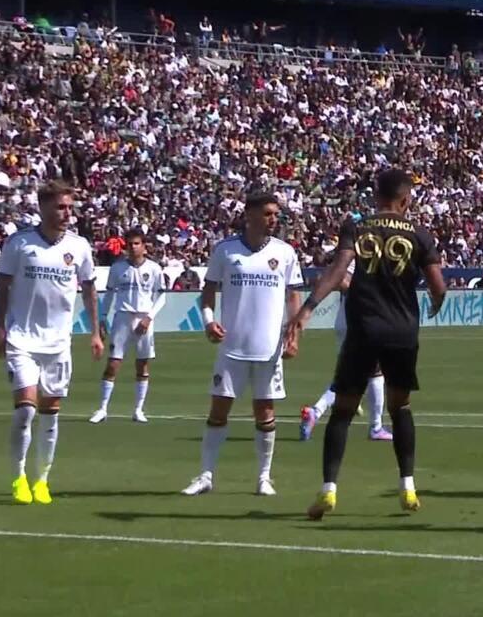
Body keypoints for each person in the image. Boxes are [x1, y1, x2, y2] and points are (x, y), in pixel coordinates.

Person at [288, 168, 445, 519]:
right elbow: (439, 285)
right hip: (403, 330)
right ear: (405, 200)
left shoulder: (356, 226)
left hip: (363, 328)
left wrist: (308, 309)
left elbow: (338, 269)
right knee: (400, 408)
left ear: (376, 196)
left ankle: (329, 490)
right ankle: (407, 487)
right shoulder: (420, 233)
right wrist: (436, 300)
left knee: (343, 411)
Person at [181, 193, 303, 497]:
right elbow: (208, 290)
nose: (274, 219)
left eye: (276, 214)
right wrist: (209, 320)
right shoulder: (225, 251)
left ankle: (264, 477)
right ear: (249, 215)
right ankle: (206, 475)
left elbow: (293, 296)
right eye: (268, 213)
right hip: (232, 345)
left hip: (269, 347)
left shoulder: (285, 253)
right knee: (219, 410)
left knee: (265, 411)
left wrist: (294, 334)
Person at [0, 181, 103, 506]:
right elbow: (3, 286)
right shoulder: (20, 243)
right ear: (42, 207)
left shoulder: (79, 246)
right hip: (22, 339)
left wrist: (95, 332)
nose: (66, 213)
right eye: (60, 207)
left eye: (70, 207)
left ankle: (42, 480)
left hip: (58, 343)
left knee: (51, 414)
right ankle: (18, 478)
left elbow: (89, 290)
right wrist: (0, 326)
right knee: (25, 411)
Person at [299, 258, 392, 443]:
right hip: (358, 321)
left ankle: (315, 412)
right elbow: (340, 278)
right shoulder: (360, 254)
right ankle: (375, 427)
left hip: (355, 321)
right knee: (374, 371)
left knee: (353, 374)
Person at [90, 229, 169, 424]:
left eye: (137, 244)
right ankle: (102, 409)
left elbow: (161, 296)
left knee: (142, 366)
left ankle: (138, 410)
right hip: (122, 318)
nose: (133, 248)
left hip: (144, 319)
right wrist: (102, 318)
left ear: (144, 246)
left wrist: (149, 317)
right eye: (130, 244)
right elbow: (109, 294)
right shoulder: (117, 268)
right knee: (112, 364)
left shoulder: (154, 268)